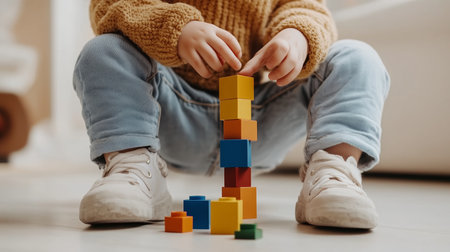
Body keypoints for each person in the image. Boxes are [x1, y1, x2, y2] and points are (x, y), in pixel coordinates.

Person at [73, 0, 389, 229]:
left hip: (257, 118)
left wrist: (297, 35)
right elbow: (110, 6)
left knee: (358, 57)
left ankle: (335, 173)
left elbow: (308, 7)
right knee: (103, 50)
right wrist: (177, 28)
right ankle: (132, 169)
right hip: (167, 113)